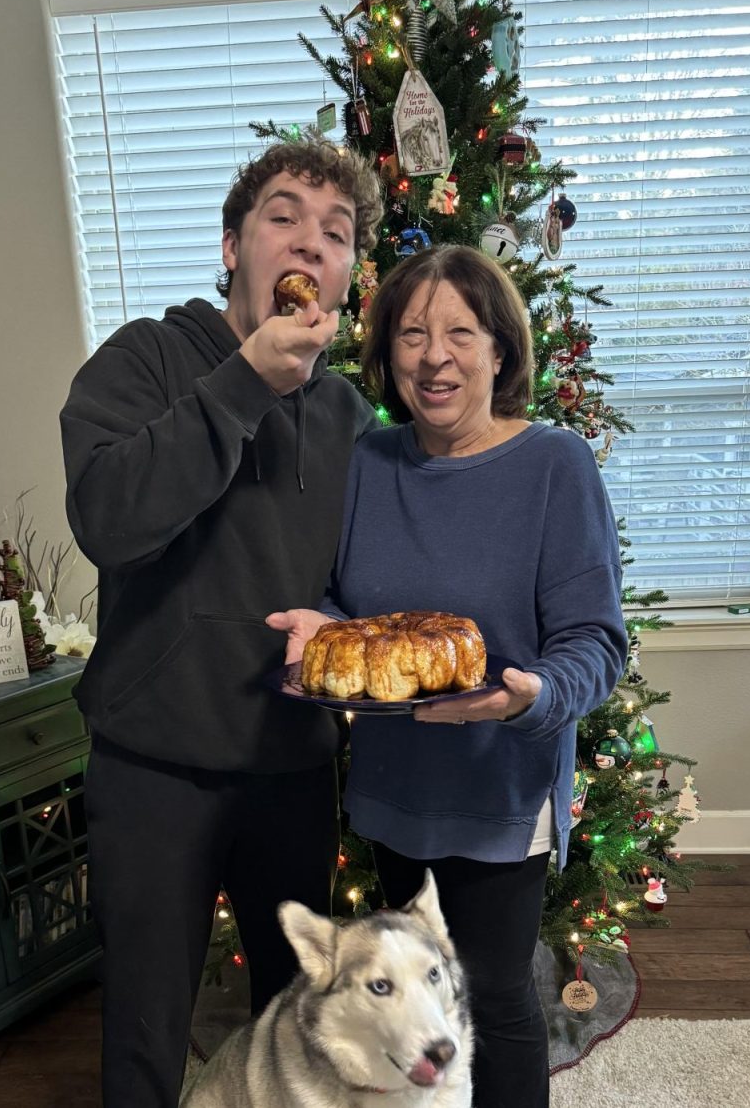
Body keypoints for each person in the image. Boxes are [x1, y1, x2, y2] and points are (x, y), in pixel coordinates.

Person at [60, 135, 383, 1108]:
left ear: (348, 273)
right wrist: (244, 382)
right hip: (151, 768)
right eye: (283, 215)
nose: (310, 242)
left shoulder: (350, 416)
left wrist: (338, 620)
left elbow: (361, 586)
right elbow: (107, 521)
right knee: (147, 1032)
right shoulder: (147, 358)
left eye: (336, 231)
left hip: (289, 766)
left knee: (295, 1024)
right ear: (233, 244)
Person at [268, 245, 627, 1108]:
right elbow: (341, 597)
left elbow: (595, 642)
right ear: (388, 353)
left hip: (503, 788)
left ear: (499, 350)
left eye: (460, 333)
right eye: (413, 334)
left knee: (495, 997)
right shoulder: (369, 463)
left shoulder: (554, 467)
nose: (436, 356)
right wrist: (321, 623)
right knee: (419, 1002)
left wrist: (532, 695)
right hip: (397, 788)